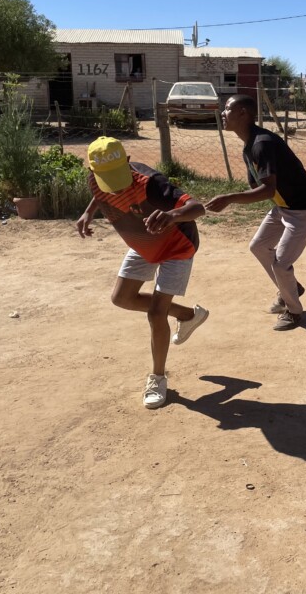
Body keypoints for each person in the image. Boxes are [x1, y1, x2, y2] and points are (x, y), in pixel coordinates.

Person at [76, 136, 210, 410]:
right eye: (105, 178)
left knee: (155, 312)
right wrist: (89, 212)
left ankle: (157, 378)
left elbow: (198, 208)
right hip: (143, 242)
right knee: (121, 298)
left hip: (176, 245)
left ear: (127, 162)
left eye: (118, 175)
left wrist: (172, 216)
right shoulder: (96, 179)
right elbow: (100, 192)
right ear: (92, 171)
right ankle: (188, 315)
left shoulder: (151, 183)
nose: (114, 184)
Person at [206, 95, 306, 331]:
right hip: (284, 206)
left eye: (228, 108)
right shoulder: (249, 146)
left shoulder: (262, 143)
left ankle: (293, 311)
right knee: (258, 246)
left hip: (305, 208)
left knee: (281, 265)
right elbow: (259, 187)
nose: (223, 112)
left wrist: (229, 199)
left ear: (243, 113)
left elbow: (267, 189)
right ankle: (291, 289)